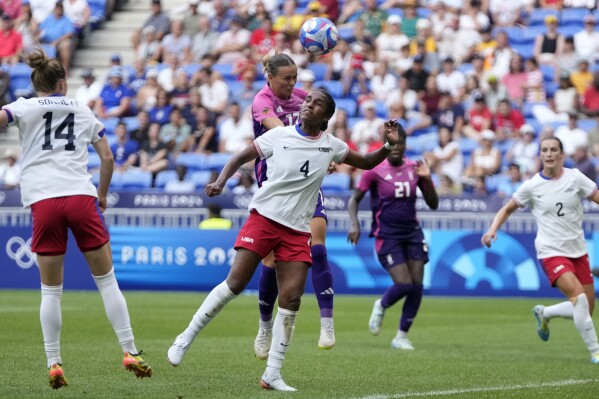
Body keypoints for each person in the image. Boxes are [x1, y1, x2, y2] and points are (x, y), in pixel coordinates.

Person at [167, 88, 402, 391]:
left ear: (326, 116)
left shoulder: (331, 145)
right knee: (235, 284)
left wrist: (387, 145)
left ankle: (272, 374)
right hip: (264, 218)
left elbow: (368, 162)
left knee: (291, 299)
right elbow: (241, 156)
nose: (308, 105)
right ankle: (185, 338)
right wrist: (221, 180)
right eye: (307, 100)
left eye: (316, 104)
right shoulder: (279, 136)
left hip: (297, 230)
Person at [0, 50, 152, 389]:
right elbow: (108, 157)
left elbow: (2, 117)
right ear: (62, 82)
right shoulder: (81, 109)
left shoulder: (24, 106)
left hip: (44, 201)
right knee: (107, 280)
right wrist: (101, 194)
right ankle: (129, 350)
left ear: (35, 81)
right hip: (80, 197)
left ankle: (54, 362)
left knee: (50, 291)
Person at [481, 136, 599, 365]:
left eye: (554, 149)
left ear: (562, 155)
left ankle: (545, 313)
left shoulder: (575, 178)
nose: (549, 154)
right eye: (544, 150)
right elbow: (507, 209)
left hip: (578, 251)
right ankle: (595, 351)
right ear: (540, 155)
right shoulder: (532, 185)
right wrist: (492, 229)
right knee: (580, 301)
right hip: (550, 251)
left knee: (586, 309)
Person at [251, 53, 337, 357]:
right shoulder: (262, 101)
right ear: (270, 77)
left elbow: (320, 123)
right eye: (287, 78)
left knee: (319, 245)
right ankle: (264, 326)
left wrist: (324, 151)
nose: (293, 84)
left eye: (295, 78)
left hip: (305, 180)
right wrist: (316, 147)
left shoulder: (303, 98)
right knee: (272, 261)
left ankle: (327, 322)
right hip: (274, 182)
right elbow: (281, 134)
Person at [347, 130, 439, 350]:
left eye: (401, 143)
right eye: (393, 142)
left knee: (417, 286)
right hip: (387, 235)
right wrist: (354, 223)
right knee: (404, 284)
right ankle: (382, 304)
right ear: (387, 143)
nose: (396, 146)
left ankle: (401, 336)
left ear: (406, 144)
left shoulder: (415, 168)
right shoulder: (374, 170)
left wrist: (427, 179)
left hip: (413, 233)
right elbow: (354, 199)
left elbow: (433, 203)